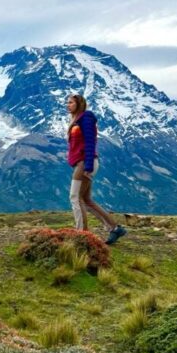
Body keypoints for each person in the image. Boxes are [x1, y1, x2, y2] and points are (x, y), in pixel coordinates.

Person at [66, 94, 126, 245]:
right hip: (82, 162)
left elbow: (90, 141)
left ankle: (82, 234)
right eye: (67, 103)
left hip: (85, 162)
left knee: (75, 197)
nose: (68, 105)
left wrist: (88, 166)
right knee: (86, 200)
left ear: (79, 104)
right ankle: (114, 228)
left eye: (71, 103)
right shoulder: (75, 119)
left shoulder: (86, 118)